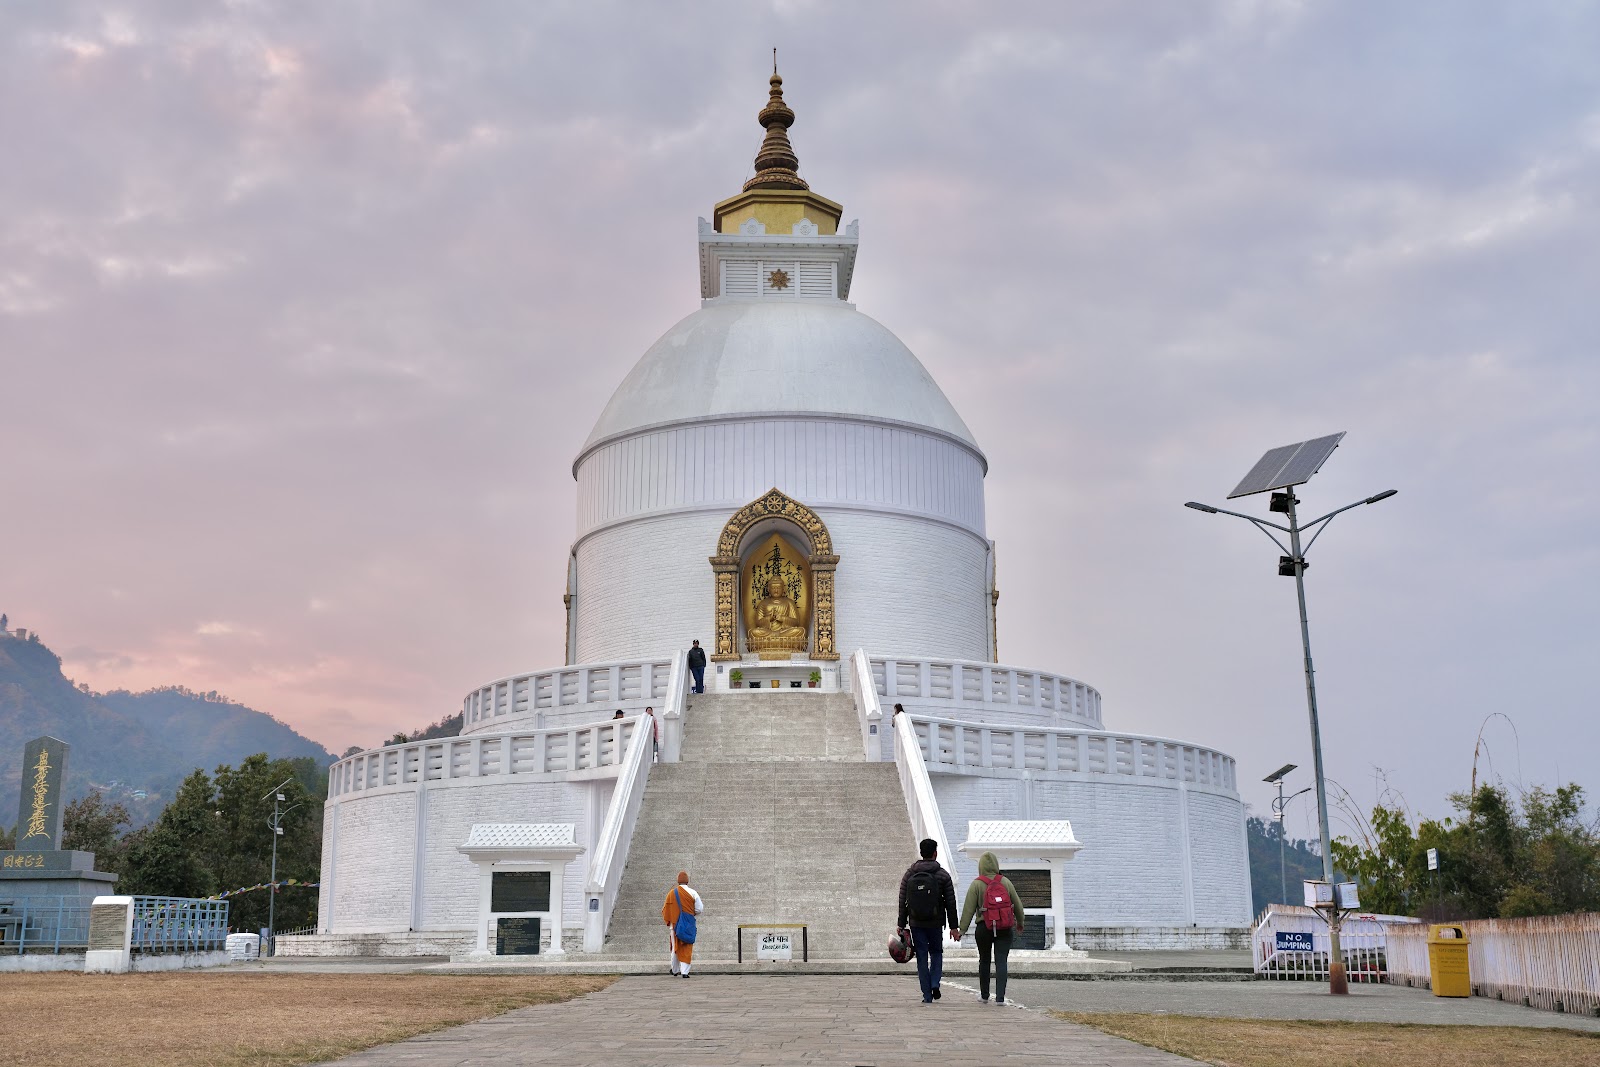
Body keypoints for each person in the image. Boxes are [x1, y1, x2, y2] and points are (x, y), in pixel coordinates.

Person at [958, 851, 1026, 1004]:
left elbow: (968, 910)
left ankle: (984, 996)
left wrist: (961, 930)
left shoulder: (976, 884)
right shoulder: (1006, 882)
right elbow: (1018, 906)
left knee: (984, 961)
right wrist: (1020, 923)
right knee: (1001, 961)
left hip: (984, 928)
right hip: (1004, 927)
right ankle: (1000, 998)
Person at [897, 838, 959, 1003]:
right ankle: (934, 983)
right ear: (935, 853)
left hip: (916, 923)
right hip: (935, 922)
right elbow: (950, 903)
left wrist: (901, 924)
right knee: (937, 952)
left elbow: (903, 900)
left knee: (922, 956)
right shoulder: (943, 875)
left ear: (921, 852)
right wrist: (954, 927)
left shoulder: (910, 874)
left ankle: (927, 995)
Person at [662, 870, 704, 976]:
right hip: (688, 924)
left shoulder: (671, 893)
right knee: (686, 946)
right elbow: (699, 909)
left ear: (678, 881)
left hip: (675, 926)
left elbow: (665, 910)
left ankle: (675, 970)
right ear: (687, 882)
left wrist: (672, 919)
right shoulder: (693, 893)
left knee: (675, 947)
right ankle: (685, 972)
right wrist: (689, 914)